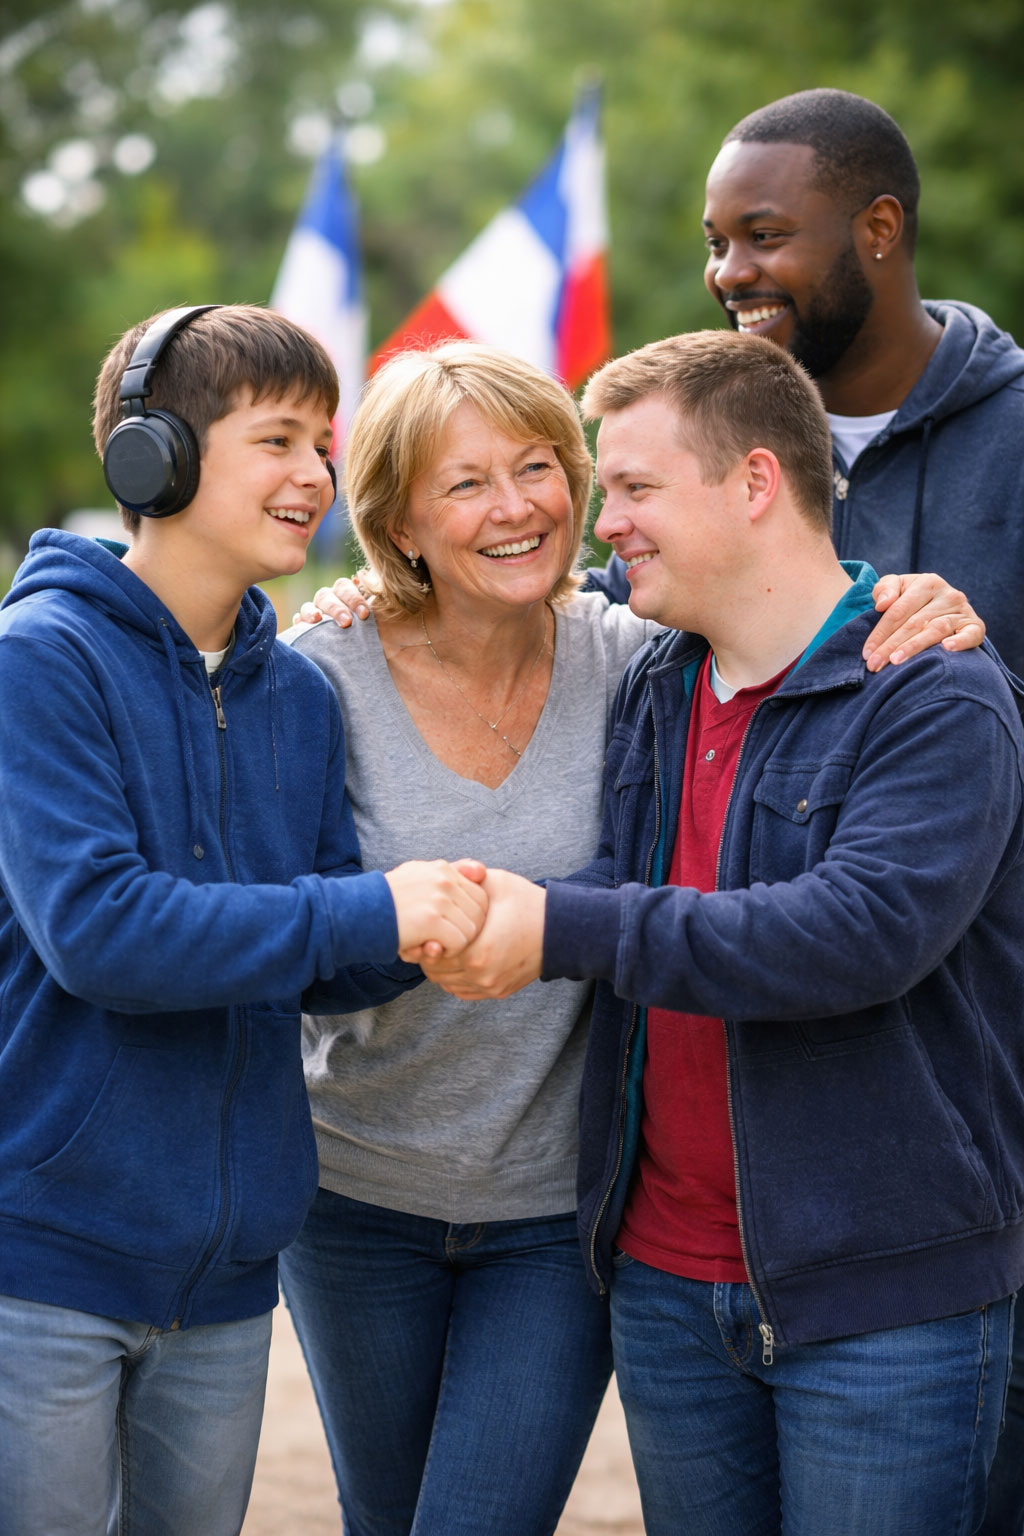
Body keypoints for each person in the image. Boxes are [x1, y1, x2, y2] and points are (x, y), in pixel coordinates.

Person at [282, 339, 985, 1536]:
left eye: (556, 470)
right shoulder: (333, 675)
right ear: (396, 521)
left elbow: (847, 910)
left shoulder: (664, 661)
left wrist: (917, 592)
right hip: (393, 1202)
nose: (544, 511)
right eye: (463, 483)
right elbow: (286, 924)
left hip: (593, 1225)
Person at [0, 303, 487, 1536]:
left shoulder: (298, 700)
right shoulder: (37, 661)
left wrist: (426, 935)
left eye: (325, 444)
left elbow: (312, 959)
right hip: (44, 1261)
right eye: (277, 439)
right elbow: (102, 932)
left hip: (226, 1284)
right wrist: (367, 908)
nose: (315, 475)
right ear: (148, 456)